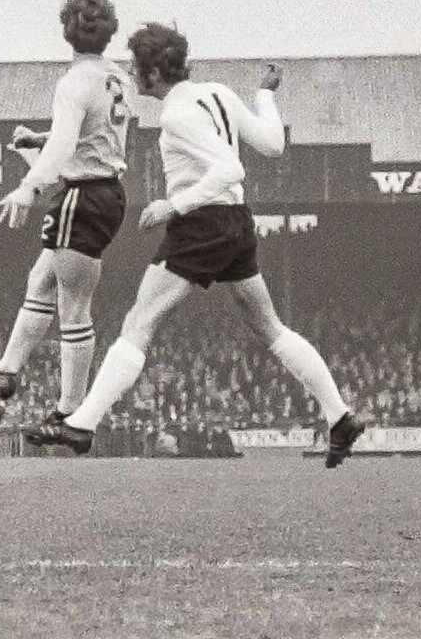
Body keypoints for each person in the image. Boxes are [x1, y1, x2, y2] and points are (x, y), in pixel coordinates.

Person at [26, 23, 366, 468]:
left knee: (139, 323)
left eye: (135, 66)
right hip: (236, 222)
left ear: (151, 73)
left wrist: (174, 205)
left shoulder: (175, 115)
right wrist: (265, 94)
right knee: (270, 328)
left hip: (201, 224)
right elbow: (272, 145)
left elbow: (229, 169)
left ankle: (83, 423)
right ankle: (339, 416)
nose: (130, 73)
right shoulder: (218, 93)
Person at [0, 0, 131, 425]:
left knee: (73, 305)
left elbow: (70, 144)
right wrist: (39, 141)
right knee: (40, 280)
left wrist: (28, 186)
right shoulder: (116, 77)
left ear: (66, 32)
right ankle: (6, 371)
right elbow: (94, 135)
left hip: (82, 195)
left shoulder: (73, 81)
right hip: (104, 191)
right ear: (109, 32)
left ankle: (71, 413)